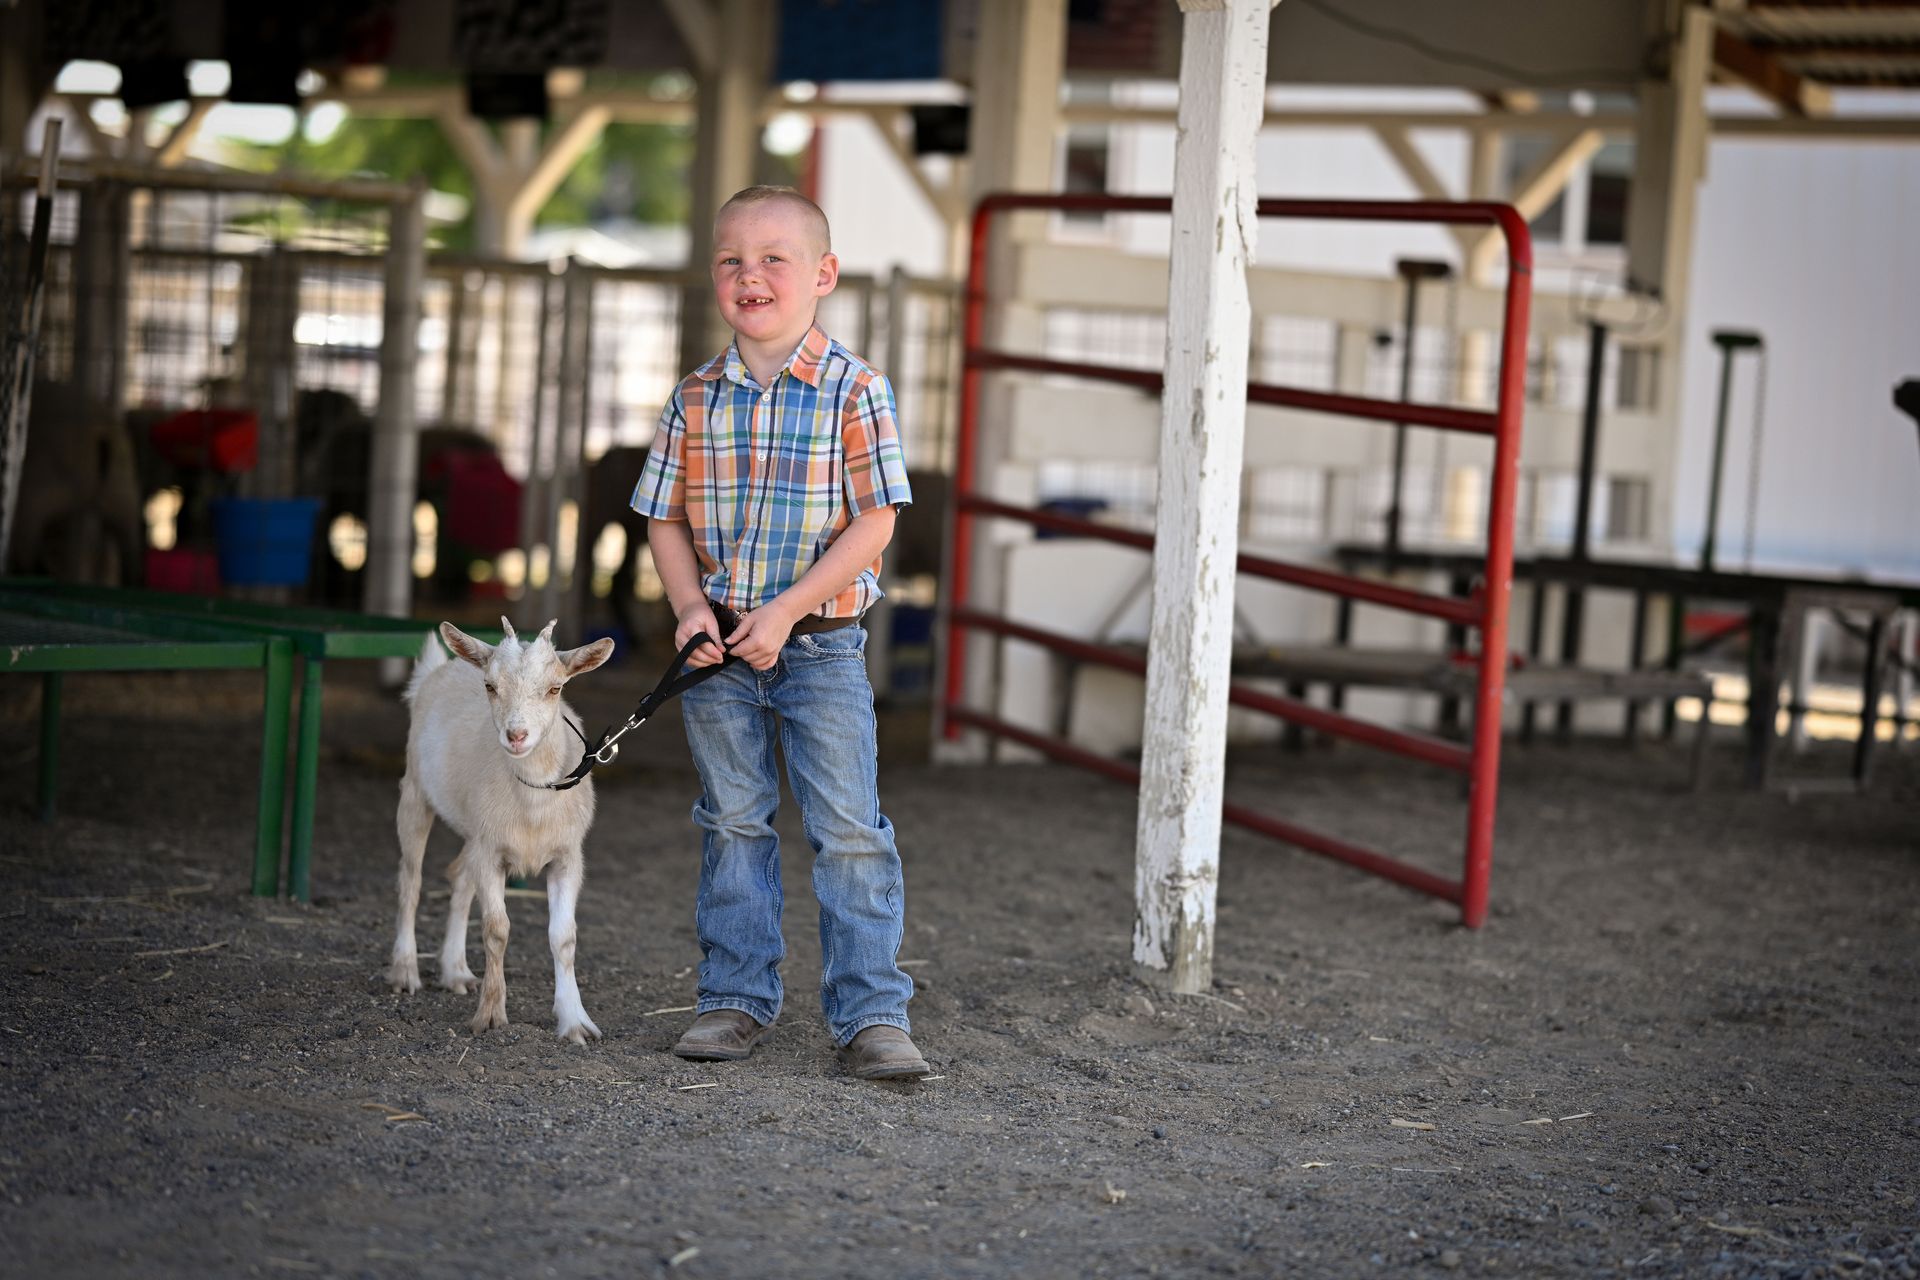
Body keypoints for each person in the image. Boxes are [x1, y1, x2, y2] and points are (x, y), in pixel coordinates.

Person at [631, 185, 927, 1080]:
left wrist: (791, 608)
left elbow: (875, 524)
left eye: (773, 259)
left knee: (847, 828)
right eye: (731, 260)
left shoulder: (856, 390)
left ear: (823, 275)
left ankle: (872, 1012)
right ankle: (732, 998)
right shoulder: (694, 397)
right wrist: (689, 608)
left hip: (823, 648)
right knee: (732, 819)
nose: (749, 275)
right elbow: (665, 519)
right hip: (716, 649)